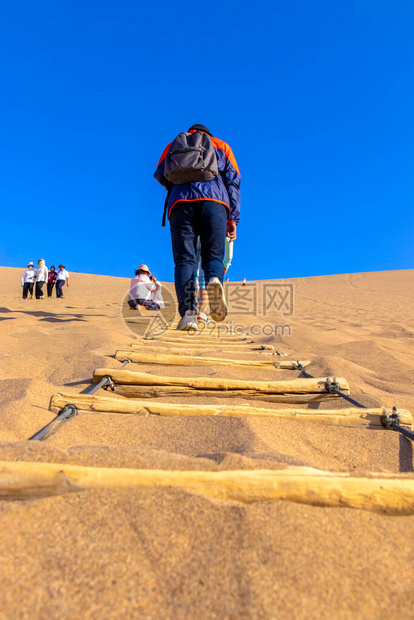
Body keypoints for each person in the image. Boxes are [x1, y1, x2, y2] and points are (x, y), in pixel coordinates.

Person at [154, 124, 240, 331]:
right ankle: (214, 281)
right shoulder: (222, 145)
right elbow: (233, 182)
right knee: (213, 256)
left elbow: (160, 174)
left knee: (184, 260)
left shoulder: (172, 145)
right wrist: (233, 219)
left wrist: (180, 183)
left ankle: (188, 314)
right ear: (208, 133)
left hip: (180, 203)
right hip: (215, 202)